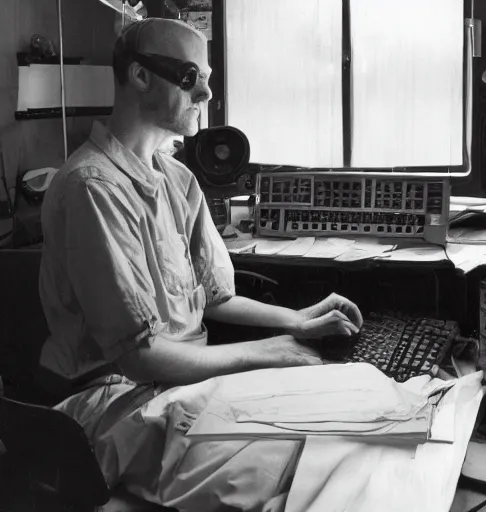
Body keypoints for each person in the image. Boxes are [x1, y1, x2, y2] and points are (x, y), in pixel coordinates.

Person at [37, 17, 363, 511]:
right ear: (140, 76)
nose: (207, 94)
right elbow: (140, 357)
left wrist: (295, 321)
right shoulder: (92, 188)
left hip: (183, 385)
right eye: (192, 77)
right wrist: (264, 352)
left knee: (337, 425)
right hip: (118, 403)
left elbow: (215, 296)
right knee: (288, 479)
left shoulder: (178, 179)